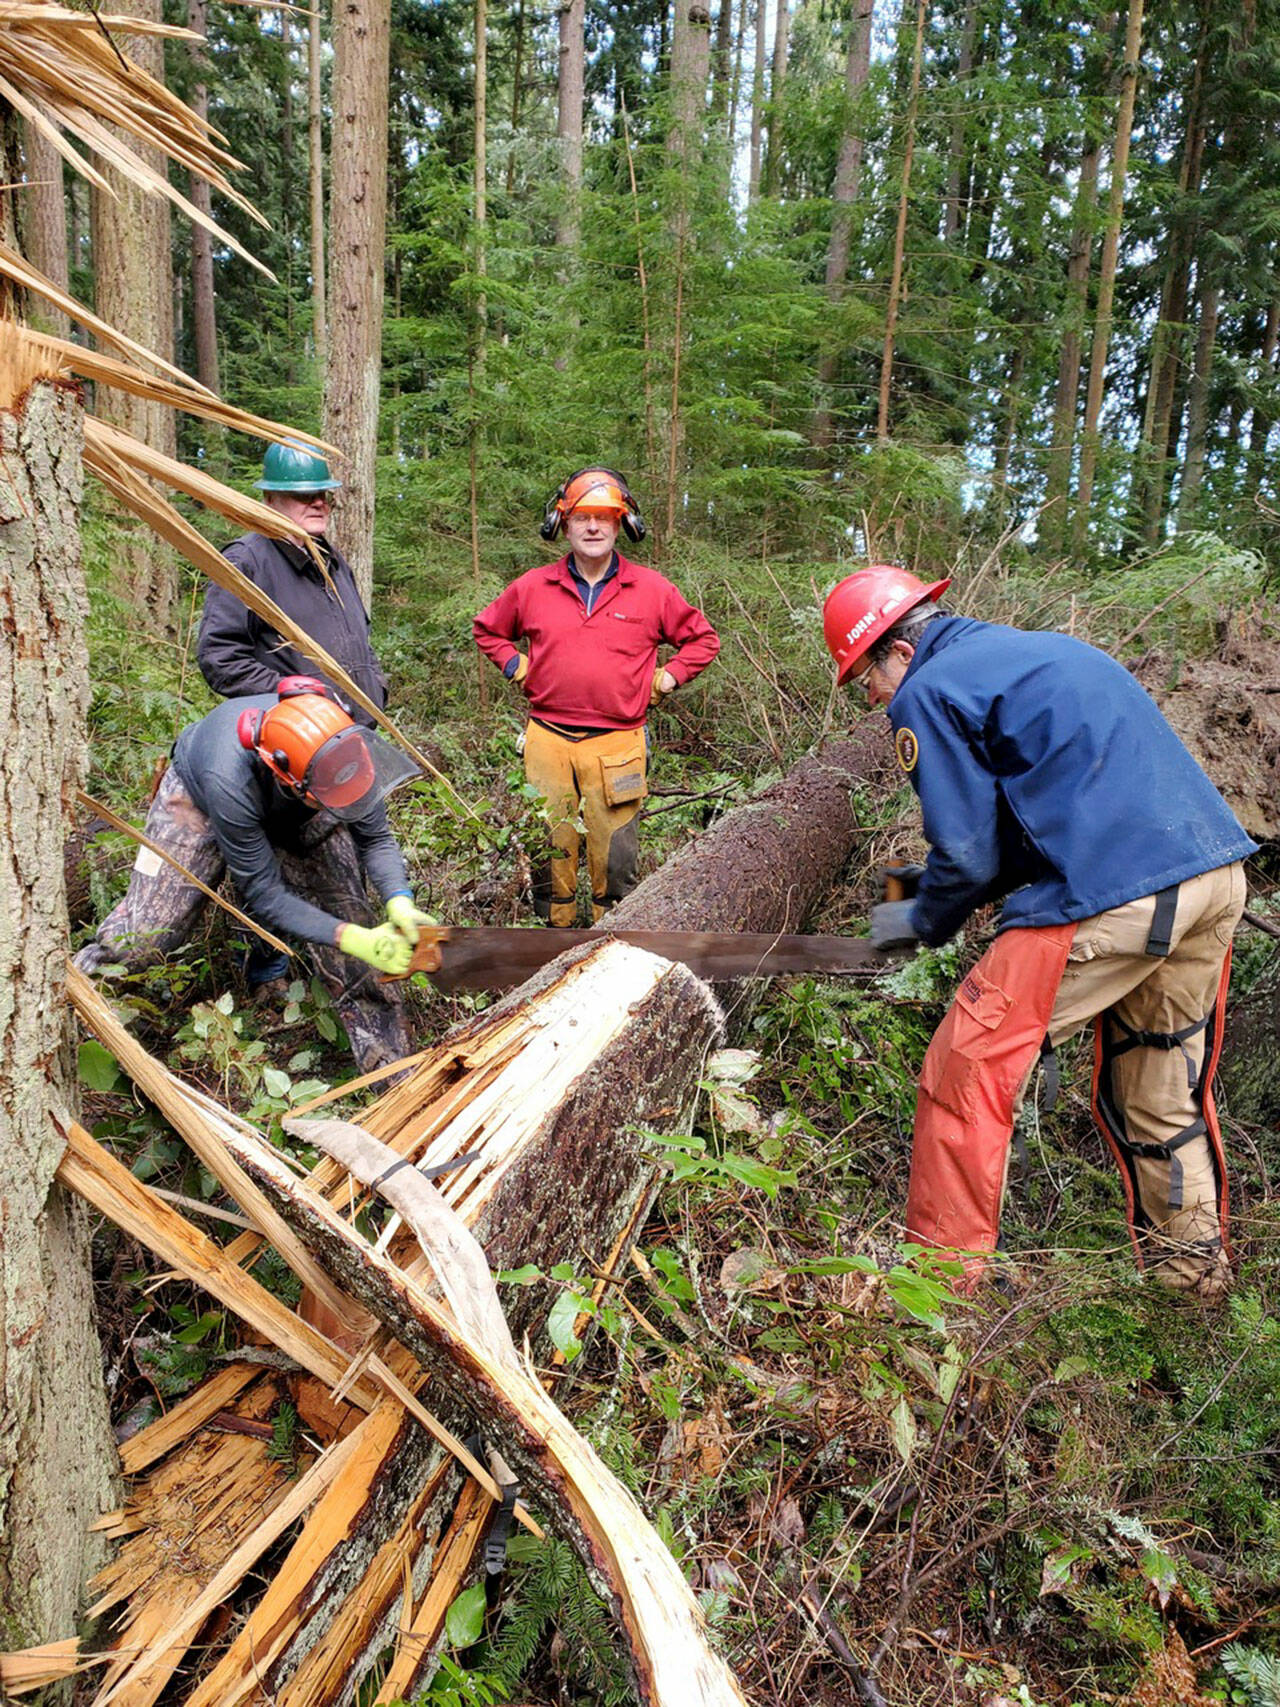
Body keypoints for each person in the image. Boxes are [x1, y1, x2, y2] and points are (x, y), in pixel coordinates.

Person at [823, 565, 1258, 1300]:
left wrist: (912, 923)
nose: (870, 698)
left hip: (1120, 891)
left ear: (898, 649)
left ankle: (935, 1297)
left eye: (864, 677)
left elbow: (965, 855)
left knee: (964, 1066)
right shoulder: (1031, 654)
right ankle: (1194, 1293)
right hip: (1212, 879)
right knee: (1156, 1095)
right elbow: (1018, 832)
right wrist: (905, 895)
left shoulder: (928, 689)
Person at [74, 681, 435, 1076]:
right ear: (284, 776)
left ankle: (394, 1073)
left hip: (304, 797)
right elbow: (264, 893)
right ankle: (77, 1016)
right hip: (199, 801)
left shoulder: (344, 755)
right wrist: (351, 936)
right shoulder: (226, 779)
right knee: (146, 935)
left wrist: (399, 900)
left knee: (356, 930)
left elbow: (377, 838)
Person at [473, 467, 720, 926]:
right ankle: (554, 941)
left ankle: (613, 940)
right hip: (548, 738)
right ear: (562, 524)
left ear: (621, 524)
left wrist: (668, 679)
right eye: (582, 517)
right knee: (551, 845)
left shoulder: (652, 589)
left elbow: (704, 641)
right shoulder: (532, 587)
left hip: (618, 743)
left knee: (618, 854)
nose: (592, 527)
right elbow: (488, 631)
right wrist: (517, 667)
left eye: (604, 518)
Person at [197, 441, 389, 728]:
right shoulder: (246, 562)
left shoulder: (333, 563)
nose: (318, 503)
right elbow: (220, 658)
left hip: (353, 736)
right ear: (270, 498)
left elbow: (361, 641)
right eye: (304, 494)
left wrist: (376, 687)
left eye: (322, 493)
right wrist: (293, 694)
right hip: (291, 740)